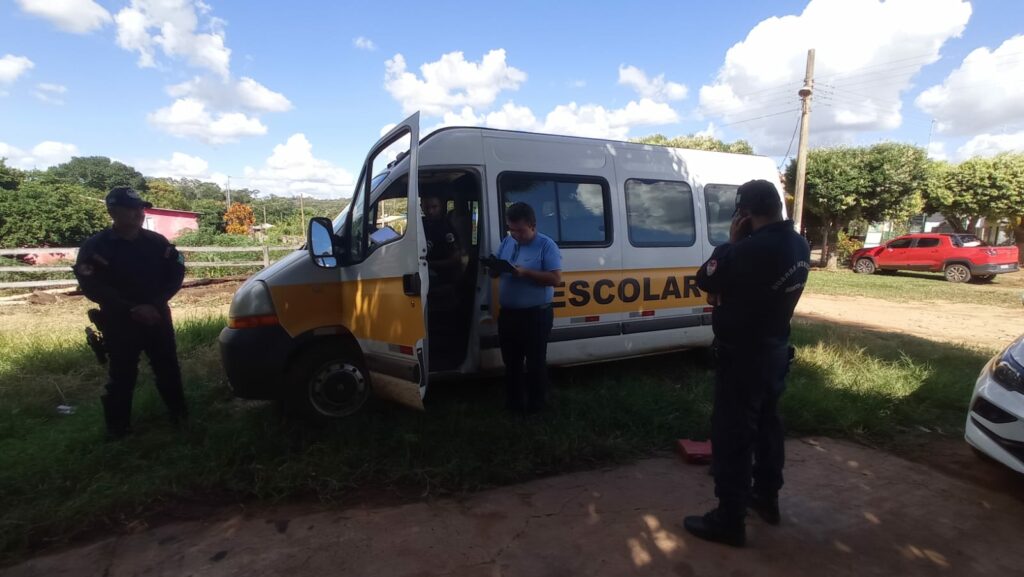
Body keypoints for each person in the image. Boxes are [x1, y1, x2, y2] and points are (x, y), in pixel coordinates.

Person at [684, 179, 810, 547]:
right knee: (768, 426)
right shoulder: (798, 243)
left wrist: (733, 243)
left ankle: (729, 519)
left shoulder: (748, 249)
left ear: (743, 212)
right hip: (774, 351)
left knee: (733, 435)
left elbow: (704, 277)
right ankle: (766, 497)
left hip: (743, 357)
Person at [74, 186, 188, 439]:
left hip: (157, 316)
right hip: (120, 321)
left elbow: (177, 271)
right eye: (130, 208)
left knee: (168, 368)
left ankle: (181, 419)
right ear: (113, 212)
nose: (138, 213)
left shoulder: (156, 242)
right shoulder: (95, 247)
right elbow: (91, 285)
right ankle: (118, 431)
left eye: (140, 208)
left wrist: (156, 303)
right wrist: (131, 308)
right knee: (122, 374)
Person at [488, 202, 562, 414]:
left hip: (536, 315)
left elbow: (556, 279)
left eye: (520, 230)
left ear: (533, 225)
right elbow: (498, 271)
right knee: (511, 363)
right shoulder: (508, 241)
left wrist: (525, 273)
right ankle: (514, 406)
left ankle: (537, 408)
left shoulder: (546, 245)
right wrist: (493, 269)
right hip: (509, 315)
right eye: (512, 229)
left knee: (536, 363)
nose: (516, 234)